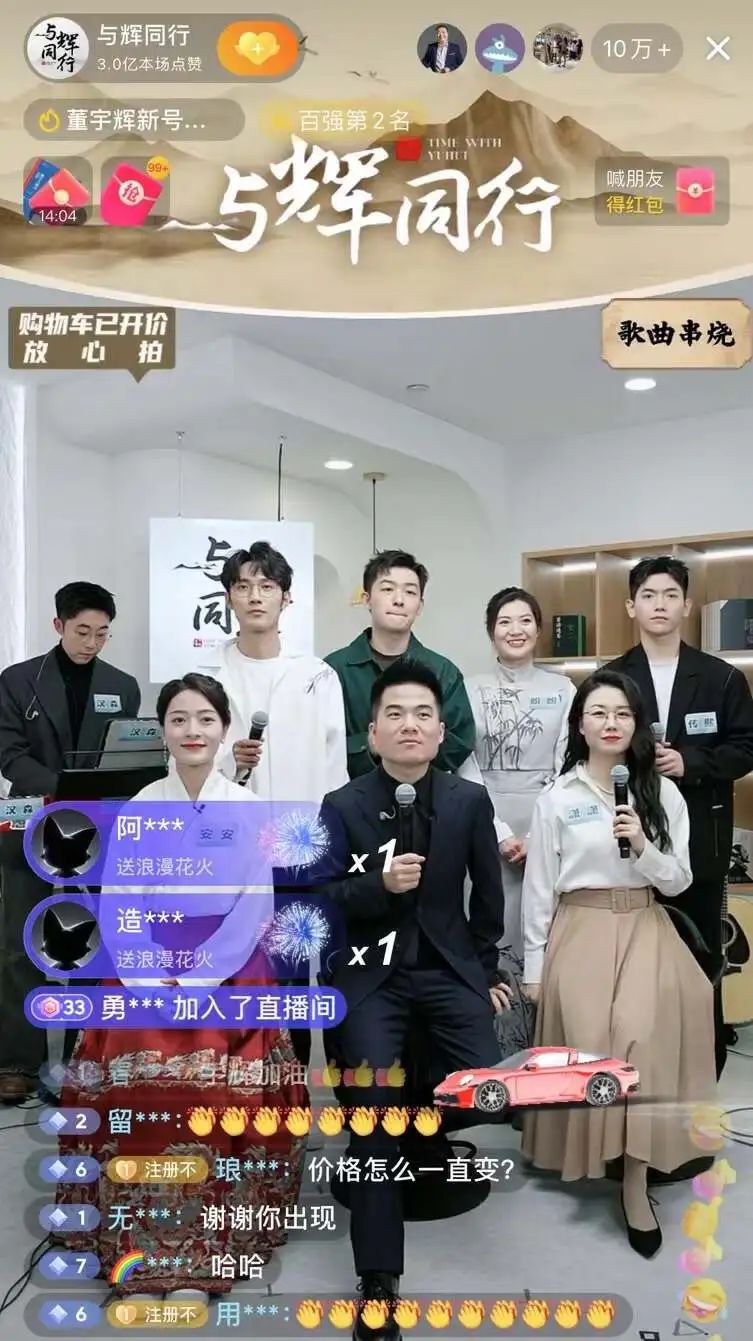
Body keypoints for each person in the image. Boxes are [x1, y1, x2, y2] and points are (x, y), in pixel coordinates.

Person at [57, 674, 307, 1304]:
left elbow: (254, 904)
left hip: (228, 964)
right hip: (145, 966)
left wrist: (199, 978)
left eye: (205, 719)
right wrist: (148, 977)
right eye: (178, 719)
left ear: (224, 730)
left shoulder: (249, 808)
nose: (192, 731)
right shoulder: (141, 806)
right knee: (137, 1083)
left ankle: (203, 1256)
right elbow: (120, 900)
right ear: (162, 730)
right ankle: (138, 1253)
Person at [314, 661, 510, 1337]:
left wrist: (484, 970)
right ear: (372, 733)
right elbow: (324, 897)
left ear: (440, 730)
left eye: (423, 714)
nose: (409, 726)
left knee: (490, 1081)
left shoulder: (467, 800)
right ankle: (378, 1278)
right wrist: (379, 886)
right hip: (371, 979)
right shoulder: (341, 805)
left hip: (447, 972)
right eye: (394, 714)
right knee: (372, 1117)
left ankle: (427, 1143)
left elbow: (487, 898)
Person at [521, 669, 716, 1258]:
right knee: (590, 1047)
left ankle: (636, 1180)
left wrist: (645, 846)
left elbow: (679, 880)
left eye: (623, 714)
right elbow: (539, 888)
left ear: (637, 726)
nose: (611, 723)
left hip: (645, 924)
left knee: (640, 1038)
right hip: (580, 927)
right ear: (580, 725)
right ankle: (593, 1154)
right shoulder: (558, 798)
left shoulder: (662, 794)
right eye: (599, 713)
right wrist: (533, 967)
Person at [606, 555, 753, 1077]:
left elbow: (746, 748)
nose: (660, 605)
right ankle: (638, 1067)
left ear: (687, 605)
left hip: (700, 840)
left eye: (670, 595)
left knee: (699, 956)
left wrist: (690, 763)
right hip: (627, 840)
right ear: (631, 606)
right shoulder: (610, 677)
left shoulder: (721, 677)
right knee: (633, 964)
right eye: (648, 596)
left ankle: (702, 1067)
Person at [0, 582, 140, 1102]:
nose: (92, 643)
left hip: (97, 826)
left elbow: (124, 755)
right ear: (58, 626)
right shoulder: (18, 681)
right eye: (82, 631)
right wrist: (61, 786)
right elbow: (9, 754)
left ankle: (85, 1057)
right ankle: (17, 1062)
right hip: (30, 820)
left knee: (92, 940)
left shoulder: (122, 686)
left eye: (102, 634)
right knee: (20, 941)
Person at [465, 587, 575, 959]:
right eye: (505, 622)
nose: (516, 630)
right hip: (482, 816)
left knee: (543, 921)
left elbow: (567, 761)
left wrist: (537, 835)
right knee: (486, 915)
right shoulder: (468, 689)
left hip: (545, 815)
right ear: (491, 631)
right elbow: (464, 762)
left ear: (539, 629)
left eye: (525, 621)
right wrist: (497, 831)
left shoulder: (563, 689)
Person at [213, 541, 348, 803]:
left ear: (286, 598)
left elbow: (335, 767)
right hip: (227, 818)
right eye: (243, 587)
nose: (255, 597)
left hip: (302, 820)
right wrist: (230, 762)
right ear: (228, 599)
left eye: (267, 587)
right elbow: (183, 763)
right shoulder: (204, 678)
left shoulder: (318, 676)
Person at [326, 550, 475, 780]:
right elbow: (320, 743)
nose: (399, 600)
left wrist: (410, 757)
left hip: (425, 794)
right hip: (351, 794)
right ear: (366, 599)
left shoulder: (443, 671)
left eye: (410, 592)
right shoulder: (332, 670)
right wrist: (370, 744)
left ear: (420, 606)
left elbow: (460, 741)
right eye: (387, 589)